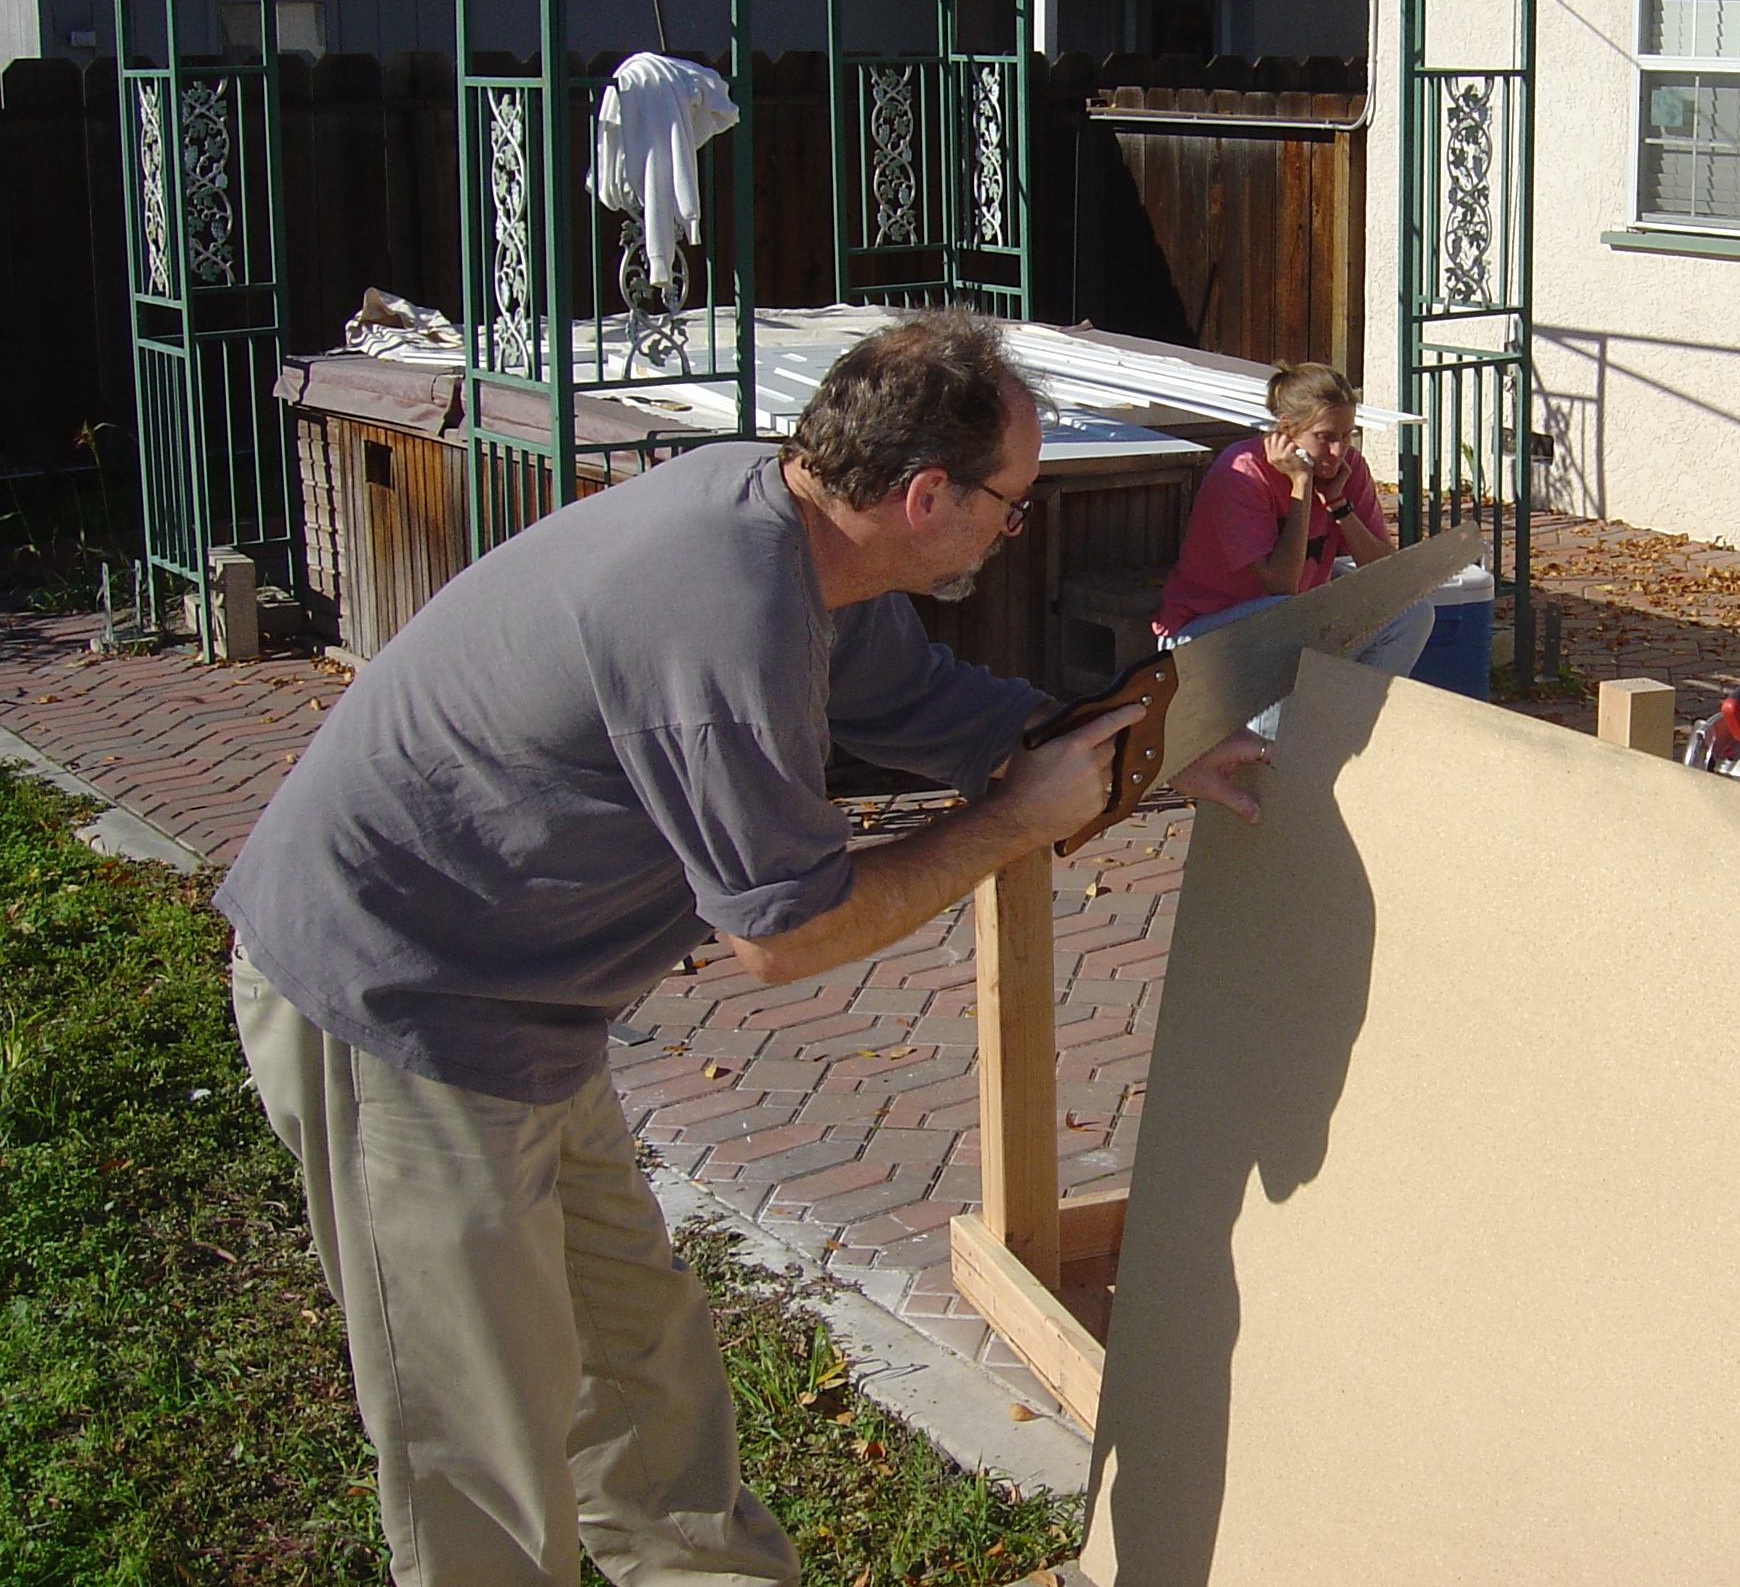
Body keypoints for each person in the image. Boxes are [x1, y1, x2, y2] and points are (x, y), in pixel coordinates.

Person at [217, 311, 1262, 1587]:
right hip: (401, 1004)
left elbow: (929, 707)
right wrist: (1006, 826)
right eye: (1011, 504)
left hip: (535, 1008)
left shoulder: (810, 543)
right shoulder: (721, 613)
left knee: (640, 1373)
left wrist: (1144, 750)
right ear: (927, 494)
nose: (1012, 531)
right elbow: (785, 935)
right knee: (478, 1437)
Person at [1153, 362, 1436, 708]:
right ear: (1287, 431)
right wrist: (1301, 483)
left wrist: (1338, 503)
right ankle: (1278, 753)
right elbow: (1281, 583)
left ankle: (1354, 721)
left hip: (1291, 621)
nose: (1338, 451)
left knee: (1411, 612)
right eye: (1325, 437)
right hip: (1204, 633)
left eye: (1346, 436)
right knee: (1288, 619)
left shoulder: (1349, 469)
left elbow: (1384, 575)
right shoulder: (1242, 471)